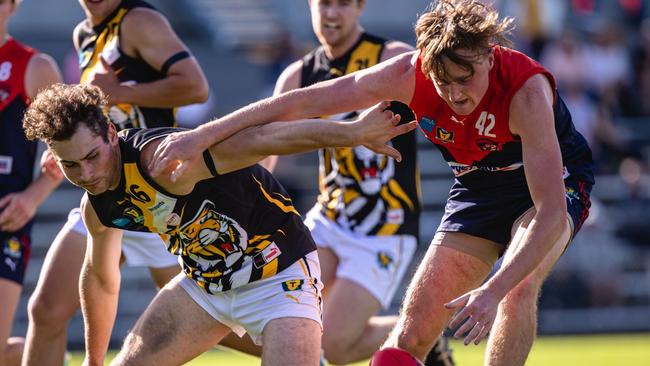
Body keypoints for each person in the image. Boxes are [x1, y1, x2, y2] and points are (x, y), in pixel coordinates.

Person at [146, 1, 595, 365]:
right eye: (443, 83)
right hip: (477, 186)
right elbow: (294, 103)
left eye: (466, 79)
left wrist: (492, 290)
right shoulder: (406, 74)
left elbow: (550, 211)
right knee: (407, 340)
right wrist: (200, 136)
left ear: (489, 56)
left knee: (518, 287)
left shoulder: (525, 91)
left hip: (552, 184)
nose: (457, 95)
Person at [22, 83, 415, 366]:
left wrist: (350, 133)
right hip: (204, 287)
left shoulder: (165, 164)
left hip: (281, 277)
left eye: (92, 156)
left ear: (111, 133)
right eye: (71, 165)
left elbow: (260, 139)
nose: (88, 173)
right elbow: (101, 278)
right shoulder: (98, 205)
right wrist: (93, 359)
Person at [263, 1, 452, 364]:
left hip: (385, 228)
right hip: (328, 220)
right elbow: (266, 153)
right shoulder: (298, 75)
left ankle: (425, 334)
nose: (332, 13)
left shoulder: (394, 58)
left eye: (343, 3)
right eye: (324, 3)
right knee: (279, 313)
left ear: (360, 7)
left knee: (334, 347)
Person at [22, 1, 209, 365]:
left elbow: (195, 87)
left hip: (152, 193)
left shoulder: (139, 21)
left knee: (215, 313)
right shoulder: (85, 32)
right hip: (105, 189)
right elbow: (103, 109)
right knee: (46, 310)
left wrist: (122, 93)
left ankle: (307, 348)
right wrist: (69, 147)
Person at [0, 0, 64, 365]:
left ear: (11, 5)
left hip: (7, 221)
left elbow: (71, 145)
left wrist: (32, 196)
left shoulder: (34, 67)